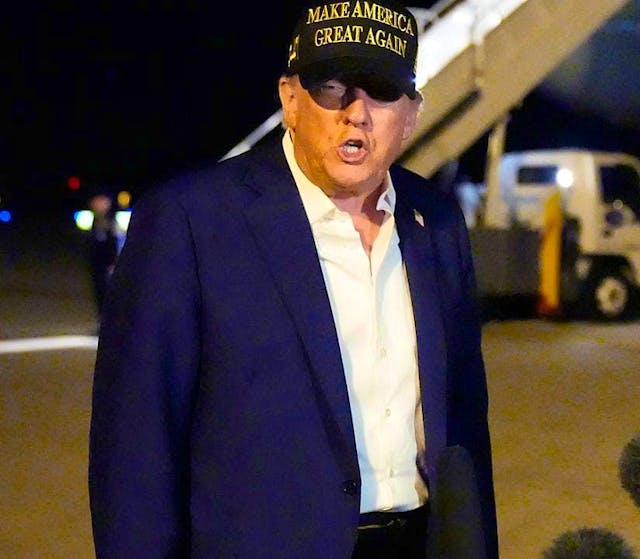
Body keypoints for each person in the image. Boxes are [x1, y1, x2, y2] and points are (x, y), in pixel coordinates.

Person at [88, 1, 498, 558]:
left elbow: (466, 426)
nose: (356, 113)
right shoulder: (190, 222)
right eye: (332, 88)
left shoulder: (437, 221)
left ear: (412, 113)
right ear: (290, 100)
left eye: (380, 91)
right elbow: (135, 447)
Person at [84, 193, 120, 314]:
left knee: (110, 294)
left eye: (101, 202)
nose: (97, 205)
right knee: (99, 293)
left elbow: (117, 243)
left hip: (110, 264)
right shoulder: (93, 220)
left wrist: (115, 262)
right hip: (97, 265)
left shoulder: (113, 221)